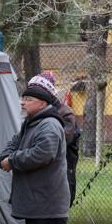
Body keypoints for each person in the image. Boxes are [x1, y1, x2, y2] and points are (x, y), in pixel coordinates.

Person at [0, 77, 71, 224]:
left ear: (41, 102)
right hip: (38, 200)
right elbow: (13, 144)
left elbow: (43, 153)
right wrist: (6, 158)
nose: (22, 102)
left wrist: (13, 160)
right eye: (23, 98)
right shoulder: (31, 123)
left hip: (46, 200)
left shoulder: (49, 125)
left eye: (28, 99)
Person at [32, 71, 80, 205]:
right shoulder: (36, 113)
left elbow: (60, 142)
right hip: (42, 175)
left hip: (62, 173)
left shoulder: (65, 114)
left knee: (57, 216)